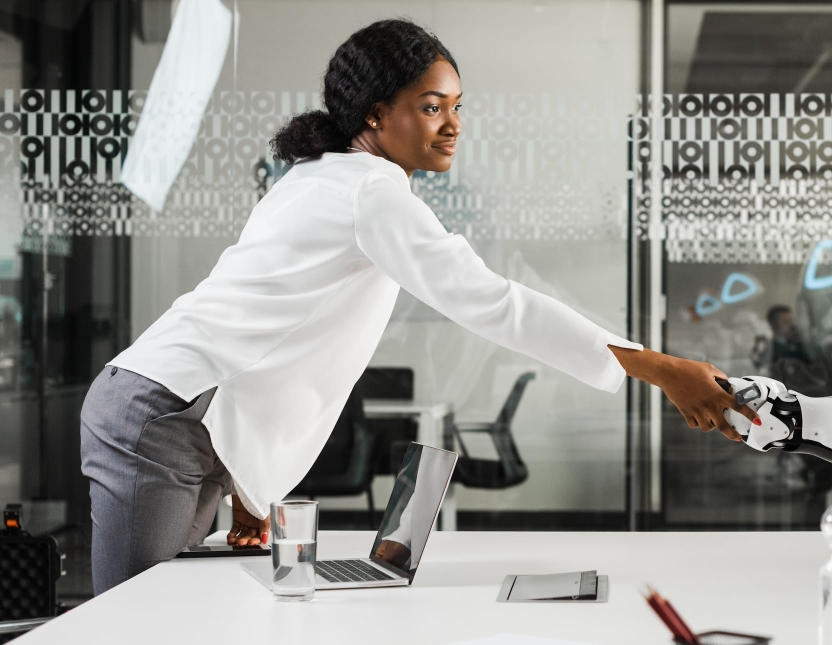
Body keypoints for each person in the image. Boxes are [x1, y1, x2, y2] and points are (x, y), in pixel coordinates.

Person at [79, 19, 755, 595]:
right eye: (433, 107)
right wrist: (662, 368)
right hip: (162, 417)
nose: (453, 125)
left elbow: (281, 339)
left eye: (458, 107)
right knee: (132, 623)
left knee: (173, 613)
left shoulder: (323, 178)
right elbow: (495, 304)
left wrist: (251, 488)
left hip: (179, 416)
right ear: (376, 113)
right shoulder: (371, 194)